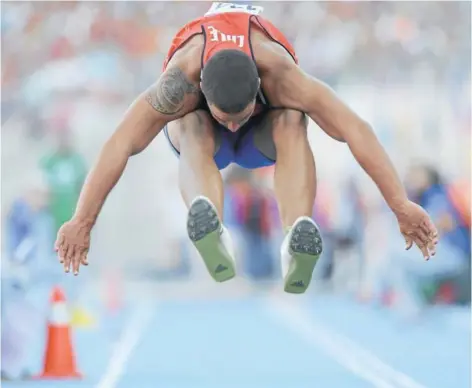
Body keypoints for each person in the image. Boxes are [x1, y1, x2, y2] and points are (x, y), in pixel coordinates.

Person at [55, 2, 438, 294]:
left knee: (292, 120)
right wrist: (82, 220)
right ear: (201, 89)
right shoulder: (180, 84)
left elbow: (356, 129)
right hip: (202, 143)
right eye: (227, 116)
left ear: (259, 88)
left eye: (241, 114)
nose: (234, 125)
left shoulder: (283, 75)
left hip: (266, 134)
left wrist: (399, 204)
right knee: (189, 124)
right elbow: (120, 143)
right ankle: (211, 225)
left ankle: (296, 234)